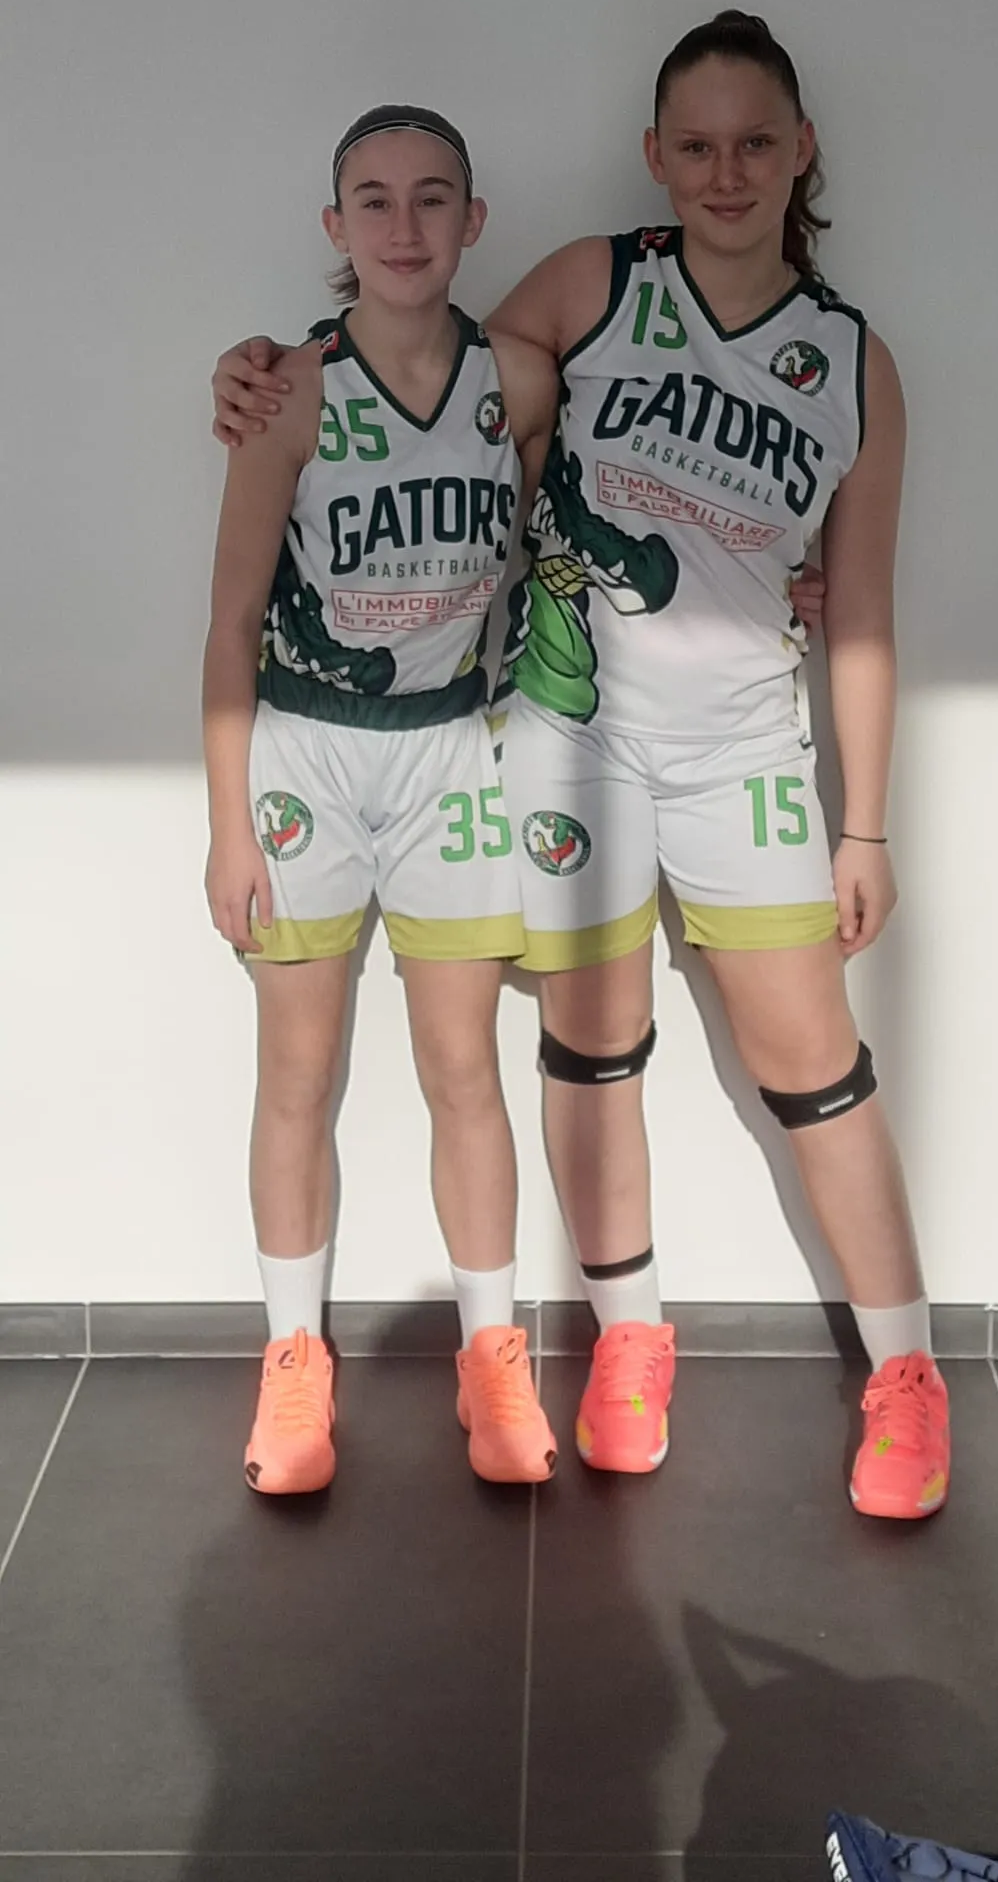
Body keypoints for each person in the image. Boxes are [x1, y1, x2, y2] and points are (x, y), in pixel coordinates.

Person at [211, 13, 949, 1521]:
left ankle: (909, 1373)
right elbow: (435, 385)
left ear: (802, 150)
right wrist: (267, 369)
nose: (727, 171)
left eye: (756, 142)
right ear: (654, 156)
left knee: (814, 1066)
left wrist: (864, 824)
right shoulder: (597, 284)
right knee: (594, 1052)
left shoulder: (854, 364)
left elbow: (865, 612)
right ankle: (627, 1341)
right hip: (568, 739)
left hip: (743, 745)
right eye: (699, 144)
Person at [203, 103, 558, 1496]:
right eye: (373, 200)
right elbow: (232, 623)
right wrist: (227, 824)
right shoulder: (288, 393)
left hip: (450, 750)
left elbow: (585, 536)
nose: (403, 226)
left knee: (464, 1071)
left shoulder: (517, 381)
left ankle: (493, 1356)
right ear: (335, 226)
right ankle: (294, 1358)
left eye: (431, 198)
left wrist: (790, 581)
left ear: (473, 220)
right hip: (306, 754)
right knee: (297, 1074)